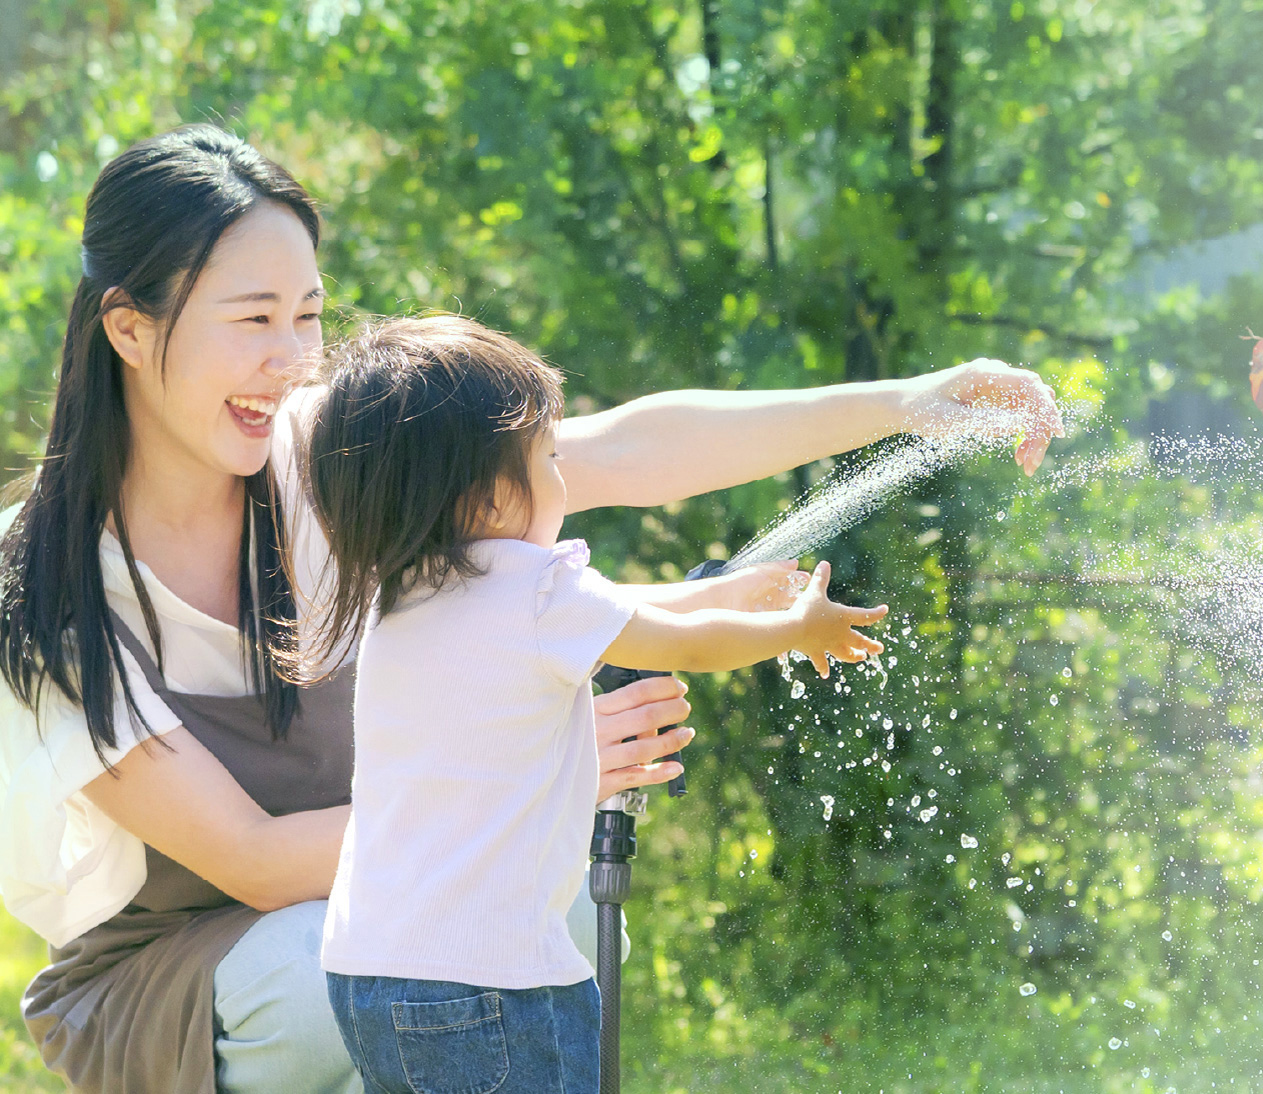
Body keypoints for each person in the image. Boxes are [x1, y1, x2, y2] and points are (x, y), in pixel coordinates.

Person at [0, 124, 1063, 1094]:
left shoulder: (328, 461)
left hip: (383, 890)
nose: (290, 362)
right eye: (252, 320)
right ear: (130, 331)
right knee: (369, 948)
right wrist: (514, 778)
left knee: (517, 921)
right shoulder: (41, 585)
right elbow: (254, 858)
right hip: (173, 984)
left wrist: (904, 405)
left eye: (309, 318)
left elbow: (626, 449)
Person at [302, 315, 888, 1092]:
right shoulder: (536, 589)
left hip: (365, 976)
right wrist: (792, 626)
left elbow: (622, 616)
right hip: (494, 987)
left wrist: (719, 594)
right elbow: (684, 643)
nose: (564, 481)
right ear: (486, 500)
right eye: (548, 458)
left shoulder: (401, 598)